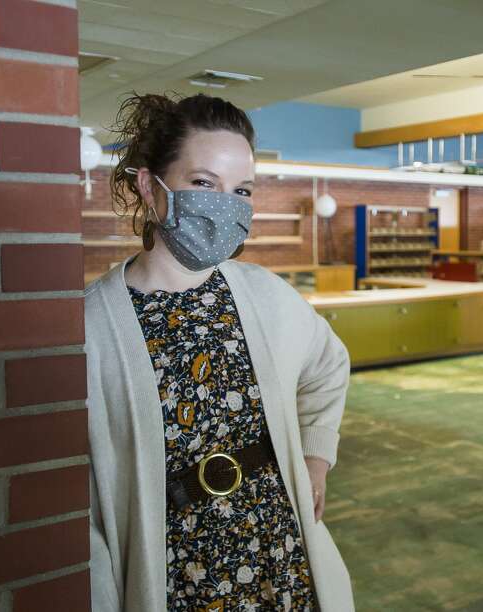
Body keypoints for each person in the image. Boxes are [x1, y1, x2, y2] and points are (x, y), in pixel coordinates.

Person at [85, 92, 354, 612]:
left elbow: (328, 364)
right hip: (176, 570)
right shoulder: (94, 325)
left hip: (277, 549)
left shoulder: (264, 293)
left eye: (243, 189)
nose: (226, 204)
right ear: (149, 185)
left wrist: (316, 455)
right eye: (204, 184)